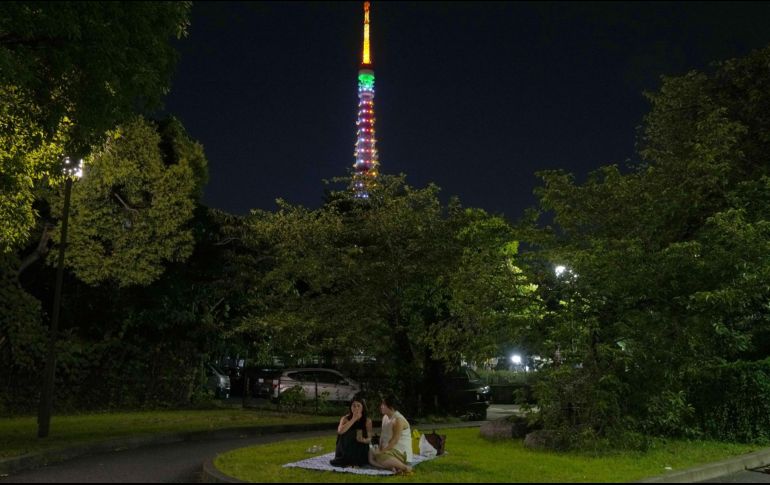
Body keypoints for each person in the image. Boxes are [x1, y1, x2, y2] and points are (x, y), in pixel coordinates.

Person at [369, 395, 413, 474]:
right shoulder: (385, 417)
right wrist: (379, 447)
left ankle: (405, 468)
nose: (381, 407)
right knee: (370, 454)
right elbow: (382, 435)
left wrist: (382, 452)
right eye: (381, 404)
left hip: (400, 451)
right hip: (389, 449)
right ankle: (392, 467)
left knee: (380, 456)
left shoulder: (398, 420)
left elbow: (394, 440)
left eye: (384, 405)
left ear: (391, 406)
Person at [330, 395, 373, 467]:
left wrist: (364, 440)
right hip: (345, 448)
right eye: (354, 406)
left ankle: (355, 460)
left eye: (358, 406)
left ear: (362, 408)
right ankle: (348, 459)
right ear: (350, 407)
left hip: (360, 448)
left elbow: (370, 438)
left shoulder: (367, 421)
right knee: (349, 432)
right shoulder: (345, 418)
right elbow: (340, 431)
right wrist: (353, 419)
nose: (356, 408)